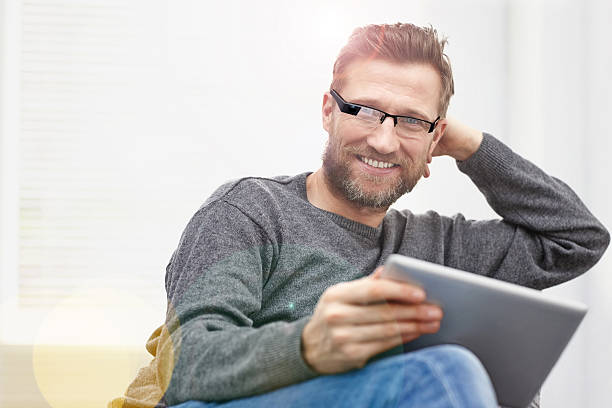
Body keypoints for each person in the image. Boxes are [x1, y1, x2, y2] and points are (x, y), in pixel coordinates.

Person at [110, 23, 609, 408]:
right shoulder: (250, 210)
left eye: (411, 121)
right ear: (328, 111)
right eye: (366, 110)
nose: (383, 140)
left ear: (436, 138)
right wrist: (307, 346)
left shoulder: (441, 245)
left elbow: (576, 238)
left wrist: (470, 146)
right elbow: (186, 364)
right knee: (445, 375)